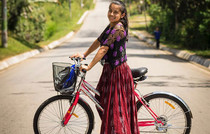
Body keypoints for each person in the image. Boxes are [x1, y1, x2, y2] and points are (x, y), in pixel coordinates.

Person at [70, 0, 139, 133]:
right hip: (109, 71)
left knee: (116, 111)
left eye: (115, 12)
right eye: (110, 11)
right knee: (101, 101)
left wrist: (89, 66)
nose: (111, 14)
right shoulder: (111, 26)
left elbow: (103, 49)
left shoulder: (118, 28)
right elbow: (99, 41)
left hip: (117, 72)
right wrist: (83, 54)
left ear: (122, 14)